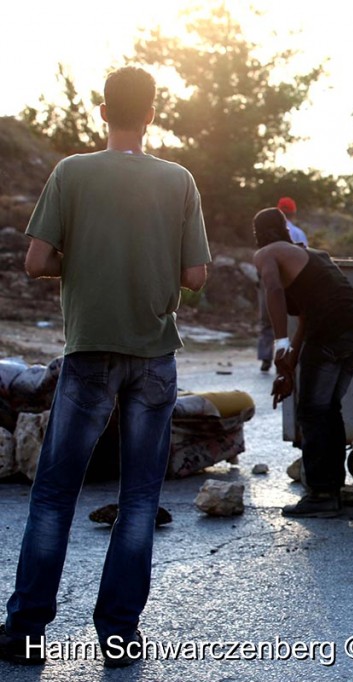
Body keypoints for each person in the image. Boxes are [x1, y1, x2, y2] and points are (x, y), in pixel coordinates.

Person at [1, 66, 210, 668]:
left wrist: (85, 256)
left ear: (101, 111)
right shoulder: (179, 181)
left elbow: (36, 260)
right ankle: (119, 635)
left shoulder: (72, 172)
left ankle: (25, 633)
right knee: (139, 499)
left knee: (54, 494)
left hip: (88, 352)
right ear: (150, 115)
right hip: (153, 359)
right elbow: (196, 277)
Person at [252, 207, 353, 518]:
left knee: (313, 412)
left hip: (330, 333)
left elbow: (273, 291)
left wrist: (279, 344)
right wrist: (290, 359)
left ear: (258, 236)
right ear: (287, 229)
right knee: (326, 409)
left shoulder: (266, 253)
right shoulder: (316, 255)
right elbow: (305, 315)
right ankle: (331, 489)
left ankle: (321, 495)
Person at [256, 198, 309, 371]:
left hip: (273, 280)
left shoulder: (265, 246)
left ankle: (269, 357)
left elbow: (273, 287)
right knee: (293, 320)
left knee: (267, 320)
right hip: (294, 283)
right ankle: (289, 356)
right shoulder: (299, 234)